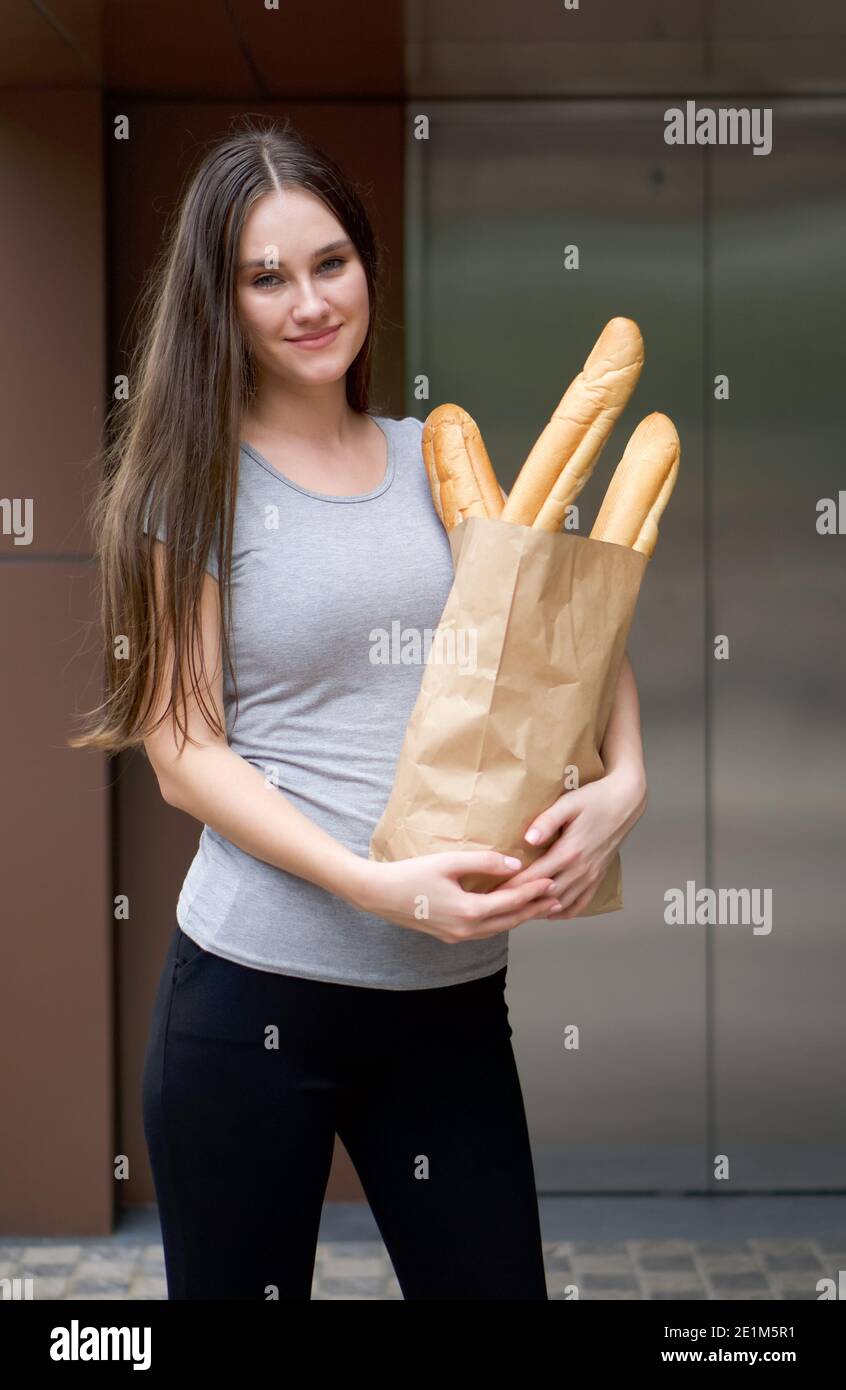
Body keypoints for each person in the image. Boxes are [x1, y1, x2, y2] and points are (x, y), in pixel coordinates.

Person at [70, 116, 648, 1300]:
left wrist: (625, 785)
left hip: (447, 1007)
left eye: (329, 261)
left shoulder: (440, 459)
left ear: (366, 265)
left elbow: (573, 644)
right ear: (219, 302)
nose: (309, 301)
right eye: (265, 277)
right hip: (250, 1000)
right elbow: (184, 755)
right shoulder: (197, 487)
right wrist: (376, 885)